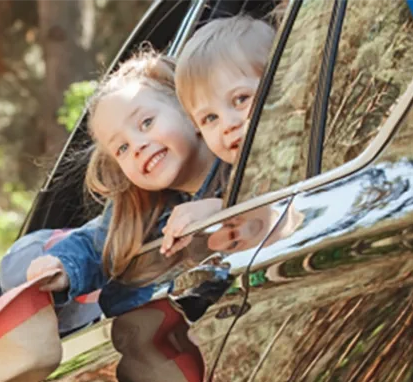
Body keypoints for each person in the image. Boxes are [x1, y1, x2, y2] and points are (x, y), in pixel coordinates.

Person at [20, 49, 223, 318]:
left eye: (147, 122)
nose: (137, 146)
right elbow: (98, 243)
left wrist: (224, 210)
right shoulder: (144, 212)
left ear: (189, 109)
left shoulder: (253, 155)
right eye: (122, 148)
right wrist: (61, 265)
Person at [161, 14, 277, 255]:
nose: (229, 124)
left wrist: (221, 209)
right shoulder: (228, 182)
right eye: (210, 118)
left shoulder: (307, 148)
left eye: (241, 99)